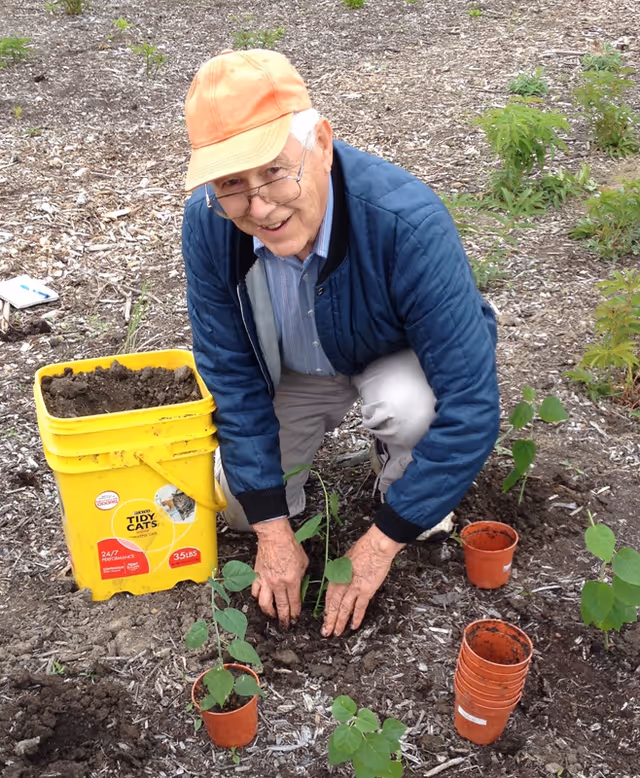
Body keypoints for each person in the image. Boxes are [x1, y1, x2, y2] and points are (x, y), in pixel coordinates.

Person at [181, 49, 500, 638]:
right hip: (295, 373)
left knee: (415, 412)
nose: (259, 206)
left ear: (322, 143)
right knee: (240, 509)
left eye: (275, 171)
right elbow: (230, 372)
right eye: (231, 184)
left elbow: (473, 405)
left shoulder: (405, 222)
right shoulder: (210, 226)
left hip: (387, 357)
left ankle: (399, 470)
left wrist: (379, 545)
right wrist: (274, 532)